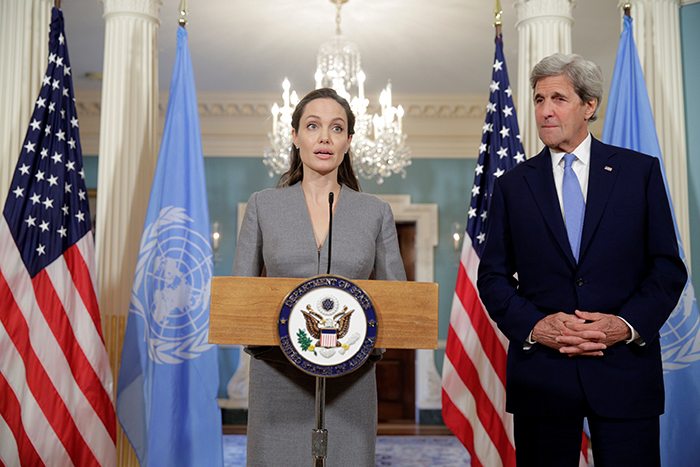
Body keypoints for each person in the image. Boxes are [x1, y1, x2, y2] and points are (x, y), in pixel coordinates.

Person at [477, 53, 687, 467]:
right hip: (544, 375)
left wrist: (623, 326)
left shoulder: (638, 173)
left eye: (558, 98)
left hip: (625, 370)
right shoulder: (512, 186)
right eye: (538, 100)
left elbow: (667, 267)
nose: (545, 110)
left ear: (589, 106)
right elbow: (493, 276)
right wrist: (535, 326)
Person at [233, 87, 406, 466]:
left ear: (348, 141)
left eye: (337, 128)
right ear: (295, 137)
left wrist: (361, 351)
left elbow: (399, 302)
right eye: (313, 126)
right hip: (277, 374)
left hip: (352, 379)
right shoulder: (263, 205)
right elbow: (240, 299)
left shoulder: (375, 212)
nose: (325, 137)